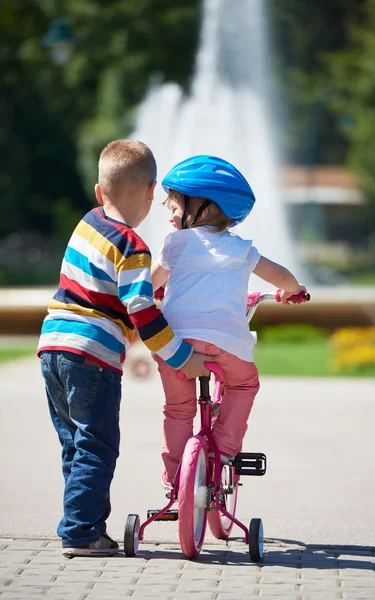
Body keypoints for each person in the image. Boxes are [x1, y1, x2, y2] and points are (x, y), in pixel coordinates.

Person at [37, 140, 214, 557]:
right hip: (93, 356)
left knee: (77, 445)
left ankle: (86, 527)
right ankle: (80, 533)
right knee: (97, 445)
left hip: (53, 347)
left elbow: (112, 289)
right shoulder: (133, 246)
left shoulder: (87, 224)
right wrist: (183, 358)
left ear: (100, 192)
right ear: (153, 192)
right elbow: (141, 310)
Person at [151, 154, 308, 489]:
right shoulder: (241, 250)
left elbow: (151, 283)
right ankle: (223, 453)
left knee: (178, 409)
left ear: (203, 210)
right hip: (225, 343)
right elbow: (279, 275)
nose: (170, 217)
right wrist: (293, 291)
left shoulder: (175, 245)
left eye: (175, 208)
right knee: (243, 385)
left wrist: (156, 291)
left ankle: (175, 477)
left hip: (175, 344)